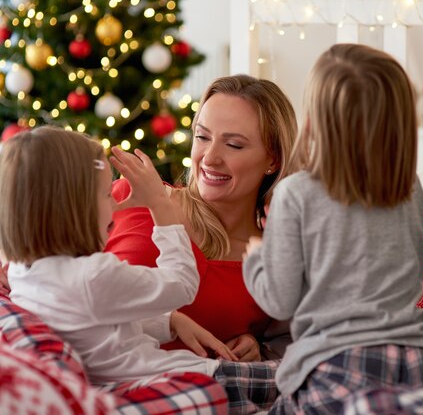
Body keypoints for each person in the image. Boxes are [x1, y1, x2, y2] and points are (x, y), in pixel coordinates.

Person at [0, 126, 279, 414]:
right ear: (75, 208)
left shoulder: (23, 273)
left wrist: (169, 322)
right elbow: (183, 283)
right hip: (176, 376)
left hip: (129, 380)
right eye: (108, 194)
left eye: (233, 143)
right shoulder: (93, 274)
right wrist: (160, 207)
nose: (117, 203)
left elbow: (92, 317)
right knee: (298, 376)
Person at [243, 43, 423, 415]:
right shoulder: (408, 189)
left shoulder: (296, 192)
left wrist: (257, 259)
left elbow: (279, 300)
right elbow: (413, 273)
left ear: (315, 118)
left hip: (340, 363)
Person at [105, 74, 297, 361]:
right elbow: (46, 256)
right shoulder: (132, 198)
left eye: (234, 145)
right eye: (202, 137)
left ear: (273, 160)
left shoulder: (274, 262)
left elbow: (285, 343)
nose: (209, 158)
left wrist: (258, 348)